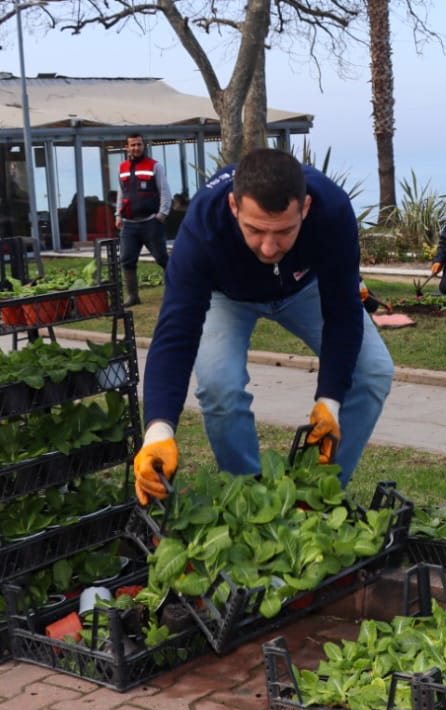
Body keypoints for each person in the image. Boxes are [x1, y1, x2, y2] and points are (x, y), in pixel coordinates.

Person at [131, 148, 394, 498]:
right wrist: (158, 430)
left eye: (284, 231)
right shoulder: (203, 224)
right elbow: (176, 330)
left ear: (305, 208)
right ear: (234, 206)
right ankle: (249, 501)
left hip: (305, 287)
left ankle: (317, 498)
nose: (269, 248)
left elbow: (343, 311)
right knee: (219, 386)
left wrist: (330, 400)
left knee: (373, 371)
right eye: (254, 230)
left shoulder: (331, 208)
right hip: (228, 296)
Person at [117, 133, 172, 304]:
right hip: (129, 224)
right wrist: (118, 215)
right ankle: (133, 296)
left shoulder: (155, 166)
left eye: (139, 144)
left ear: (144, 146)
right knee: (127, 260)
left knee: (162, 258)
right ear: (127, 147)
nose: (136, 148)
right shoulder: (122, 167)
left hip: (151, 222)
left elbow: (165, 192)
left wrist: (162, 214)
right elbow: (121, 193)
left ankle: (177, 291)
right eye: (132, 145)